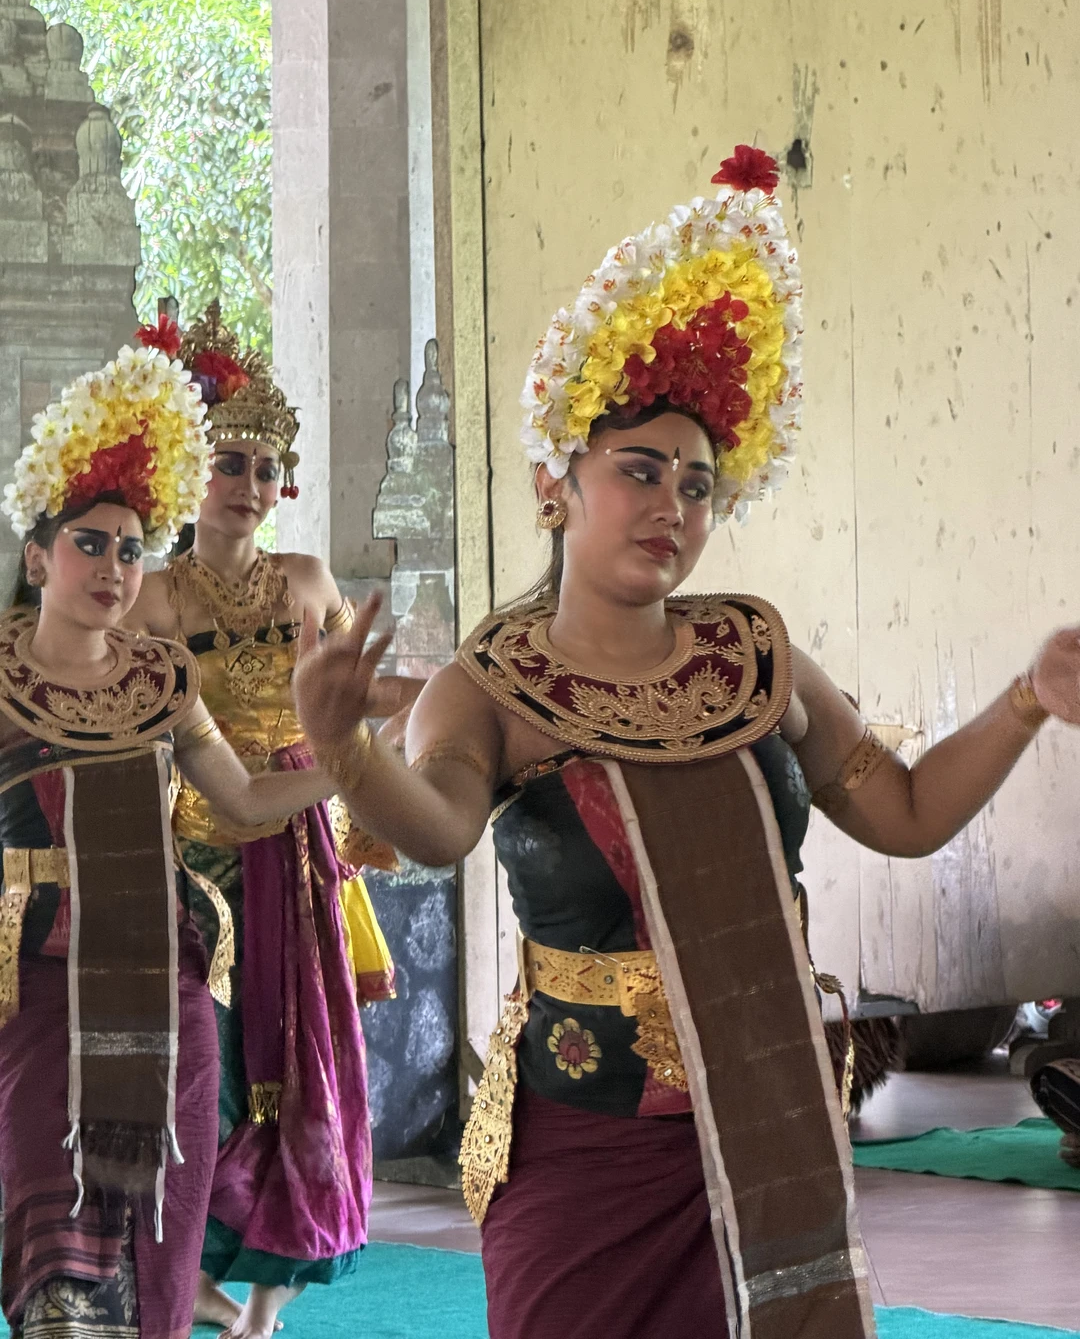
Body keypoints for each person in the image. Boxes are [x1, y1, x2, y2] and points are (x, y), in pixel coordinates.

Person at [291, 145, 1080, 1339]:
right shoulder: (493, 682)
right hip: (584, 1138)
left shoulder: (755, 656)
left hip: (767, 1121)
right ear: (560, 485)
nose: (673, 507)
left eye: (702, 486)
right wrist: (346, 752)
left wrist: (1025, 700)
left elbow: (909, 812)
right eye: (640, 471)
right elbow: (439, 826)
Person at [0, 343, 344, 1339]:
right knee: (54, 1258)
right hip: (34, 980)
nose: (114, 568)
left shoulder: (161, 681)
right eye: (91, 545)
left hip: (166, 985)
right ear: (38, 557)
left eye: (130, 548)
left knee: (155, 1246)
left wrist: (360, 765)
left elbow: (238, 800)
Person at [126, 303, 419, 1339]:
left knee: (303, 1062)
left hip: (297, 844)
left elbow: (357, 694)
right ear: (189, 477)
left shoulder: (305, 580)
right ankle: (193, 1269)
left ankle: (264, 1302)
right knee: (200, 1066)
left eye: (262, 467)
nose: (248, 486)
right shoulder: (153, 597)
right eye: (228, 464)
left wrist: (422, 697)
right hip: (195, 855)